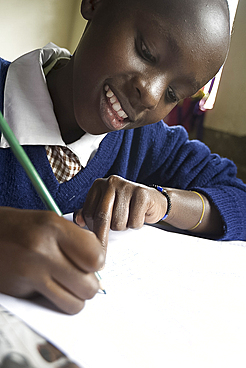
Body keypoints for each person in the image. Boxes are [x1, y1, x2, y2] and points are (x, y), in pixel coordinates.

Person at [0, 0, 245, 315]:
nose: (152, 95)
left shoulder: (143, 140)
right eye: (145, 51)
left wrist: (163, 203)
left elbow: (238, 198)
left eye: (173, 95)